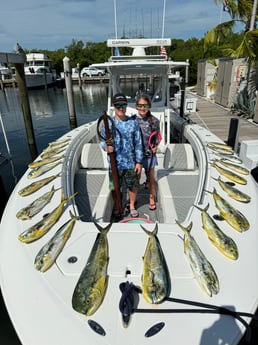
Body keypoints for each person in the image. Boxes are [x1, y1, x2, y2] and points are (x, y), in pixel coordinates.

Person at [101, 93, 143, 218]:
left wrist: (139, 162)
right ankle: (117, 204)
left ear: (126, 106)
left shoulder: (133, 123)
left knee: (133, 186)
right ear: (113, 106)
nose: (121, 108)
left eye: (123, 105)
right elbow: (102, 141)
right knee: (114, 187)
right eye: (118, 105)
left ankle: (131, 206)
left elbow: (138, 143)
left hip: (130, 163)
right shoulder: (107, 124)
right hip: (114, 164)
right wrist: (106, 147)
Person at [135, 94, 161, 211]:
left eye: (145, 105)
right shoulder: (132, 120)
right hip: (137, 156)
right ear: (136, 106)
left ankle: (151, 197)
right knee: (137, 177)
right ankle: (133, 198)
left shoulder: (155, 121)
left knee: (150, 177)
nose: (142, 108)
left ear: (149, 106)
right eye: (140, 105)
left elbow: (157, 138)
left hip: (149, 155)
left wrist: (155, 146)